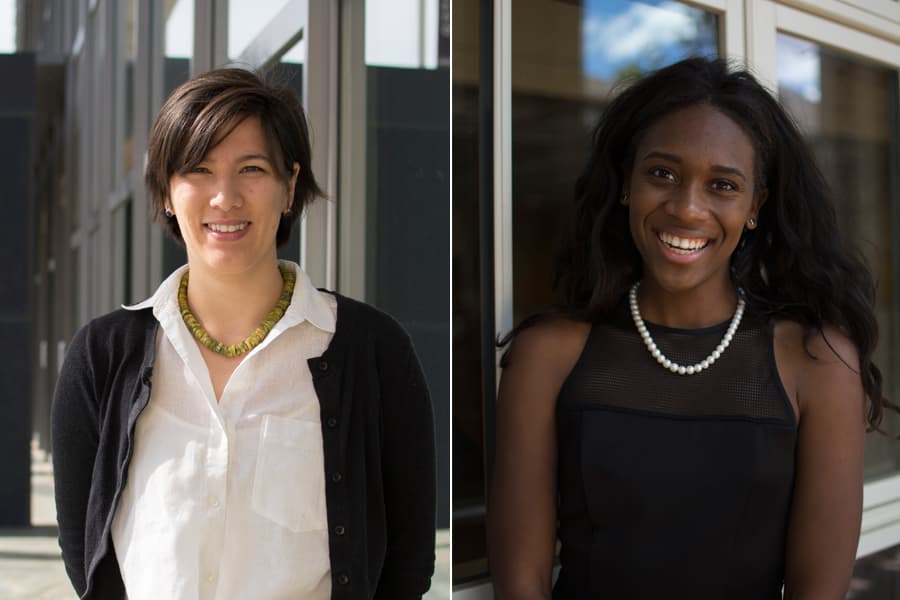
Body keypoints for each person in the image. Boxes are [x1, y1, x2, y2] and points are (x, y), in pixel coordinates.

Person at [488, 57, 890, 599]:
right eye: (662, 174)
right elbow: (522, 584)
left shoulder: (816, 364)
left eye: (722, 185)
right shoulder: (548, 356)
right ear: (626, 183)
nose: (687, 208)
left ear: (755, 207)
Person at [51, 68, 436, 600]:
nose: (225, 197)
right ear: (166, 191)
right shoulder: (101, 356)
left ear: (289, 186)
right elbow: (84, 548)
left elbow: (408, 559)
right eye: (198, 171)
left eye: (251, 169)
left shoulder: (372, 352)